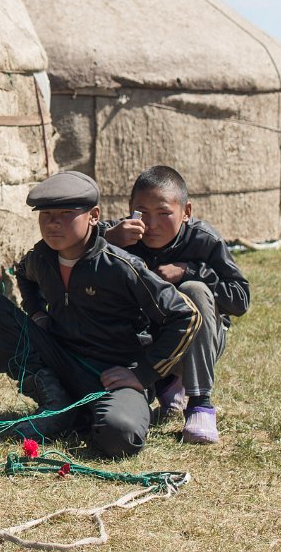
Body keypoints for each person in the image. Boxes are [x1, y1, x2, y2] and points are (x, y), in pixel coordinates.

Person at [0, 170, 200, 458]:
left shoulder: (120, 266)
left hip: (111, 376)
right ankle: (56, 402)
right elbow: (23, 273)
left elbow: (185, 316)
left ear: (94, 216)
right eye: (46, 214)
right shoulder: (42, 258)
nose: (53, 222)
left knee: (120, 436)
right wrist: (37, 312)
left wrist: (143, 374)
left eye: (66, 213)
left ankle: (80, 415)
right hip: (59, 360)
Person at [102, 165, 249, 444]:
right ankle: (167, 384)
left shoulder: (204, 240)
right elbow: (72, 243)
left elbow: (240, 300)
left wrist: (190, 272)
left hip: (198, 343)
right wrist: (107, 240)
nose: (152, 224)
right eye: (142, 212)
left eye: (164, 213)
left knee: (194, 290)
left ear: (186, 212)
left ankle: (200, 403)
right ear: (130, 208)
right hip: (141, 344)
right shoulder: (121, 235)